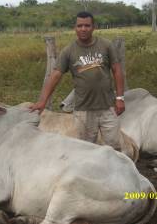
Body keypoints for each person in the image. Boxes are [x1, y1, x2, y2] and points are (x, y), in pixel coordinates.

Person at [30, 11, 125, 150]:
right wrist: (42, 101)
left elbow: (117, 70)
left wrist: (120, 98)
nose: (83, 29)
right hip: (83, 110)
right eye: (80, 26)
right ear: (75, 27)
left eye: (87, 25)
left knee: (115, 147)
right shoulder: (69, 51)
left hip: (108, 107)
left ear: (93, 27)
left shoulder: (106, 45)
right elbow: (55, 76)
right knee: (85, 149)